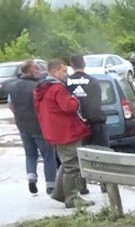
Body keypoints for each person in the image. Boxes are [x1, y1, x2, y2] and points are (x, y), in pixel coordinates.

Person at [34, 59, 94, 208]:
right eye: (64, 71)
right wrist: (75, 99)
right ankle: (72, 198)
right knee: (72, 165)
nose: (67, 74)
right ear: (54, 72)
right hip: (66, 131)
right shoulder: (57, 88)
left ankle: (59, 193)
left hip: (53, 131)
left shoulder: (41, 88)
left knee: (66, 163)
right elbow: (68, 107)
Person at [7, 60, 57, 195]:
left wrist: (19, 115)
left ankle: (31, 177)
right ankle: (50, 185)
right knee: (48, 155)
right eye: (38, 69)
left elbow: (10, 106)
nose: (41, 72)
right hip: (39, 126)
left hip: (22, 124)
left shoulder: (13, 86)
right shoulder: (38, 87)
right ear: (30, 71)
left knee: (30, 154)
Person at [67, 54, 107, 196]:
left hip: (76, 125)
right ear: (84, 63)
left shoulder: (66, 82)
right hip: (96, 122)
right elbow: (97, 103)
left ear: (71, 65)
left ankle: (81, 186)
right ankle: (105, 184)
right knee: (101, 154)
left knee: (79, 156)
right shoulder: (94, 81)